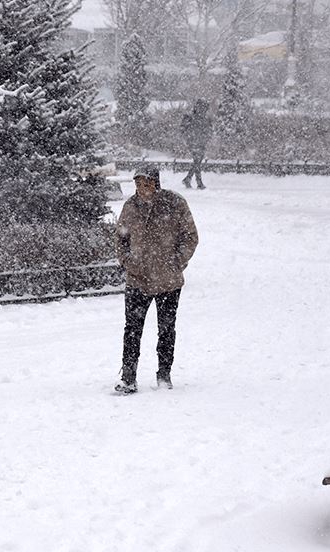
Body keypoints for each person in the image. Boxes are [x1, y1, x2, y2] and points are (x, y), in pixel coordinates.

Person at [114, 165, 199, 394]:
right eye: (138, 183)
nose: (143, 188)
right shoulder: (130, 206)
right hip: (137, 279)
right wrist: (128, 262)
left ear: (156, 183)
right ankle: (128, 378)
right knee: (132, 330)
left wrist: (176, 262)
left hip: (168, 281)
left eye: (147, 182)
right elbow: (121, 239)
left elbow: (190, 236)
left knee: (166, 329)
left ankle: (164, 375)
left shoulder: (174, 203)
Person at [180, 99, 212, 190]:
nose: (203, 109)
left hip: (201, 143)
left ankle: (188, 179)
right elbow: (183, 129)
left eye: (204, 108)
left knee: (197, 162)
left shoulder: (205, 119)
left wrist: (206, 138)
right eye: (201, 107)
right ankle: (199, 182)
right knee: (197, 161)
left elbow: (209, 130)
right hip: (193, 143)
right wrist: (189, 138)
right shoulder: (190, 117)